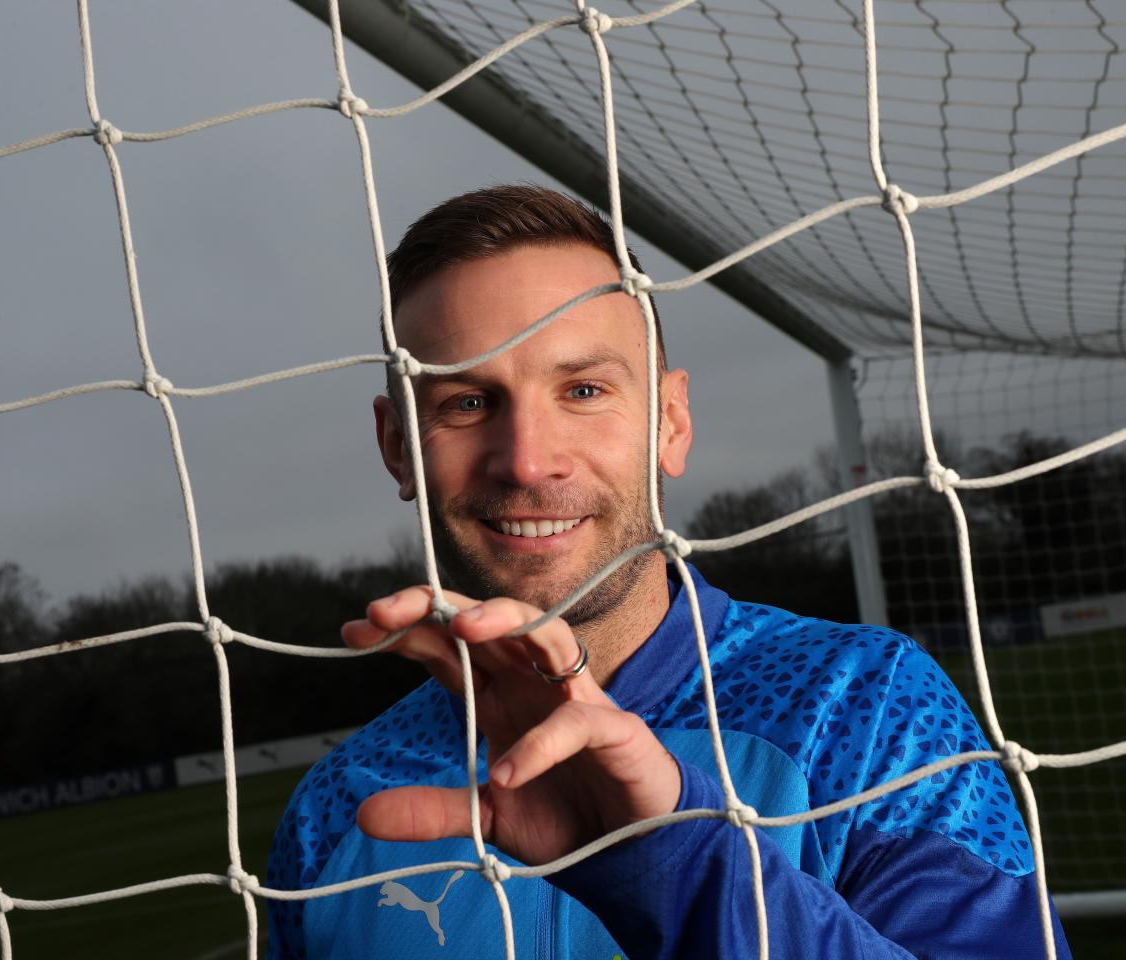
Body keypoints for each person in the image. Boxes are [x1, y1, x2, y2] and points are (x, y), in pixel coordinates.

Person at [266, 185, 1072, 959]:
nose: (528, 462)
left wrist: (673, 866)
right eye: (468, 404)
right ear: (398, 446)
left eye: (583, 390)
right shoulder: (339, 808)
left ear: (672, 422)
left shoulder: (863, 702)